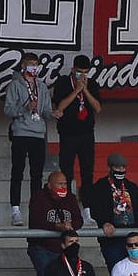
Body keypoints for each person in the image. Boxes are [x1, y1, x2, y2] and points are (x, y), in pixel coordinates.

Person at [88, 152, 138, 269]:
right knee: (118, 274)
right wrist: (104, 223)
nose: (121, 170)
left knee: (134, 272)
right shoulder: (100, 186)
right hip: (112, 241)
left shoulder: (131, 186)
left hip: (133, 240)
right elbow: (95, 209)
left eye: (123, 167)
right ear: (110, 168)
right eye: (117, 167)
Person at [25, 170, 84, 276]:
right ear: (50, 185)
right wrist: (56, 227)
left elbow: (79, 220)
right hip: (41, 246)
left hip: (63, 247)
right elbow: (35, 222)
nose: (63, 186)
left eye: (65, 183)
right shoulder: (39, 197)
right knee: (45, 274)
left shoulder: (70, 198)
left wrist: (71, 225)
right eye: (60, 183)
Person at [3, 51, 49, 225]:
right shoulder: (15, 85)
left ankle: (35, 209)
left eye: (36, 65)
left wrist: (55, 113)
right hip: (21, 132)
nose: (33, 68)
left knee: (37, 174)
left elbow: (45, 111)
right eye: (30, 65)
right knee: (18, 171)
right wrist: (25, 107)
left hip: (38, 133)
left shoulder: (42, 86)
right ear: (23, 65)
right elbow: (8, 110)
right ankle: (15, 210)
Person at [51, 56, 102, 197]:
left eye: (85, 72)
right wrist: (76, 90)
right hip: (68, 133)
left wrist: (85, 90)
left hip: (86, 133)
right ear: (73, 69)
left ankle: (87, 208)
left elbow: (97, 108)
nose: (82, 75)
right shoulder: (63, 82)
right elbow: (60, 106)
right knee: (66, 171)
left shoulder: (92, 84)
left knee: (87, 171)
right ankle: (66, 202)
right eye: (79, 72)